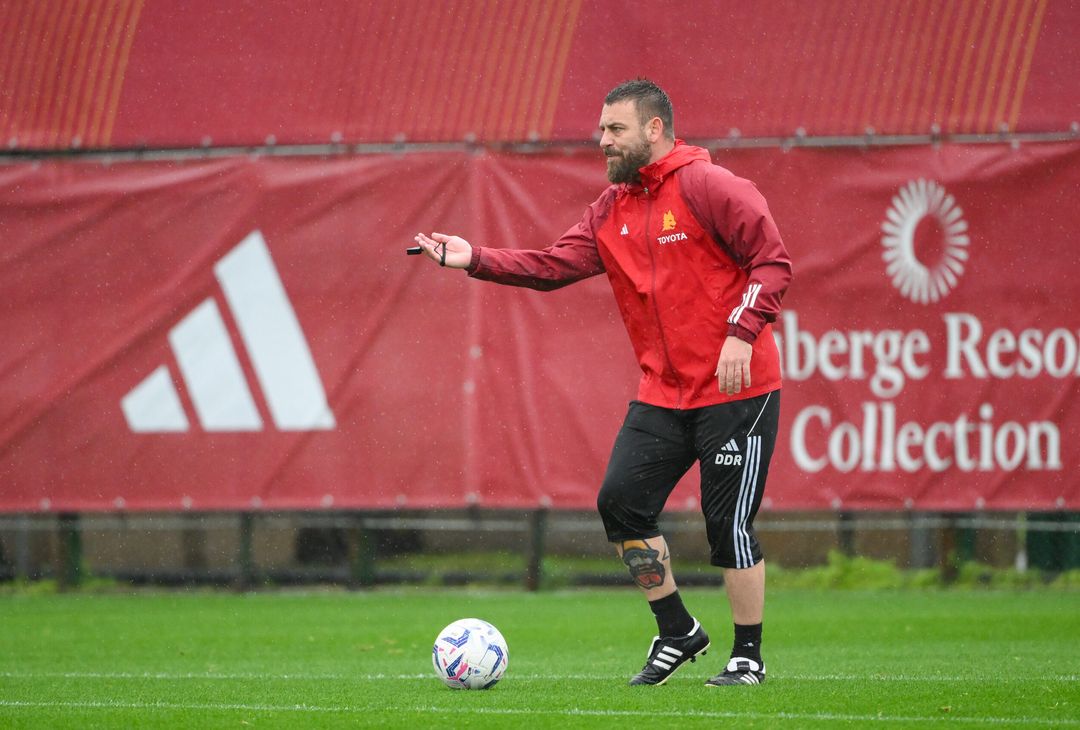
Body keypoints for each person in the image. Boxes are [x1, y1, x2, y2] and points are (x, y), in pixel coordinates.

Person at [413, 79, 791, 688]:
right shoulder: (612, 207)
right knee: (620, 502)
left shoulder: (709, 186)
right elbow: (550, 265)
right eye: (601, 129)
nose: (602, 140)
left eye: (615, 129)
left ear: (655, 129)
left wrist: (740, 334)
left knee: (728, 527)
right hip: (663, 393)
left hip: (736, 388)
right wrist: (474, 257)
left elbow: (772, 261)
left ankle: (748, 654)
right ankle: (677, 630)